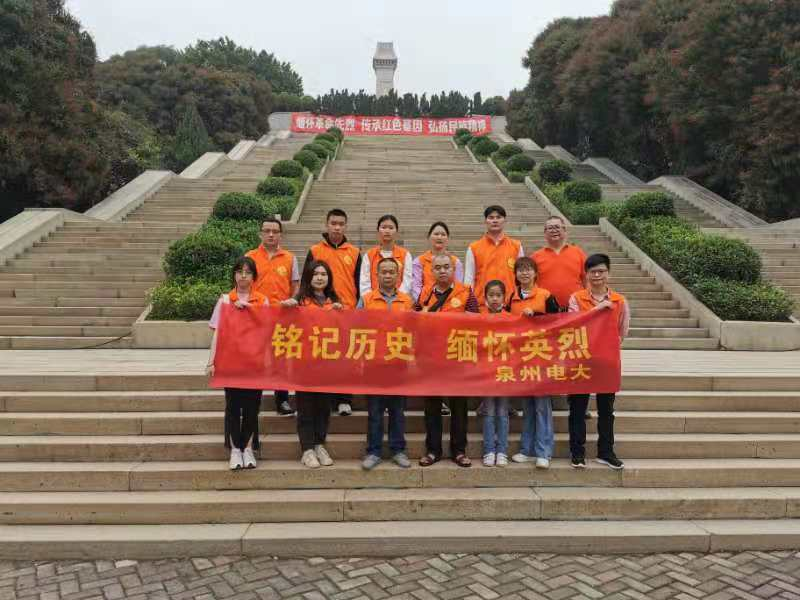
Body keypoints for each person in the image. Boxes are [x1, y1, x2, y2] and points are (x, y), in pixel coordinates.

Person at [566, 253, 629, 470]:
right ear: (586, 275)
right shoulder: (576, 298)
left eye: (601, 271)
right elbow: (572, 325)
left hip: (606, 362)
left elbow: (622, 331)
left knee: (606, 409)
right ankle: (577, 453)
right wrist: (596, 310)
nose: (597, 276)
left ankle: (606, 452)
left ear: (608, 273)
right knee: (577, 408)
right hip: (581, 361)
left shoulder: (620, 301)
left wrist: (606, 348)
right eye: (593, 272)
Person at [416, 253, 479, 468]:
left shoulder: (466, 292)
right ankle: (433, 450)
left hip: (457, 356)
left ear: (453, 270)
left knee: (459, 407)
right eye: (438, 267)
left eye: (446, 267)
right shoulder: (425, 293)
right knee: (432, 406)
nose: (442, 271)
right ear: (431, 271)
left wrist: (446, 320)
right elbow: (414, 320)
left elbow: (476, 320)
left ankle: (459, 451)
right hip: (431, 358)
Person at [206, 256, 268, 471]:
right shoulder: (225, 300)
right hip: (230, 363)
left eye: (248, 272)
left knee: (252, 407)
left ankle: (248, 448)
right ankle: (234, 450)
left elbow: (267, 331)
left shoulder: (262, 300)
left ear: (254, 277)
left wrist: (251, 310)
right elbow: (217, 333)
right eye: (240, 271)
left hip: (254, 363)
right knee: (233, 406)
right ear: (234, 275)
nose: (243, 276)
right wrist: (211, 361)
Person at [281, 260, 344, 468]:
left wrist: (341, 313)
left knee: (323, 407)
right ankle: (307, 449)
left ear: (329, 278)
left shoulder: (334, 301)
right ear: (309, 277)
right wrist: (286, 308)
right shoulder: (299, 301)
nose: (319, 277)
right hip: (304, 364)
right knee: (306, 407)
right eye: (316, 274)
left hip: (327, 364)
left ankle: (319, 444)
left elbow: (344, 330)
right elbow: (284, 325)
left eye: (324, 274)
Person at [357, 258, 414, 470]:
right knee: (375, 411)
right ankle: (374, 451)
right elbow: (355, 328)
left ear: (398, 276)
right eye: (384, 272)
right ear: (377, 275)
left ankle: (398, 450)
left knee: (398, 411)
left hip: (399, 363)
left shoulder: (407, 301)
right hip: (374, 363)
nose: (388, 275)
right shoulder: (366, 300)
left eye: (392, 272)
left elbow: (414, 330)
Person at [531, 216, 590, 419]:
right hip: (547, 315)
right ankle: (546, 394)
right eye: (550, 228)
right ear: (544, 233)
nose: (554, 230)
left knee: (574, 356)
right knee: (548, 355)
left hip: (574, 314)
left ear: (565, 230)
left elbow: (586, 281)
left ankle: (577, 400)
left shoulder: (578, 253)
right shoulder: (536, 256)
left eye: (558, 227)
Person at [307, 208, 361, 416]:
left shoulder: (354, 252)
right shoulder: (315, 250)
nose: (337, 227)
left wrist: (358, 309)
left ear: (346, 226)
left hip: (346, 311)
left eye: (341, 224)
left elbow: (360, 283)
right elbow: (307, 280)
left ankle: (344, 399)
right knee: (322, 355)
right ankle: (324, 397)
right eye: (333, 223)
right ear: (326, 224)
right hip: (320, 312)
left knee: (345, 357)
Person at [508, 257, 559, 469]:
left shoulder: (546, 295)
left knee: (541, 407)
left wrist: (536, 315)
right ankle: (527, 450)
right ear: (515, 274)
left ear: (536, 273)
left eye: (528, 269)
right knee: (528, 406)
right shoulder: (511, 298)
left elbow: (559, 323)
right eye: (520, 270)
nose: (524, 273)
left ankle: (543, 451)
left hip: (542, 358)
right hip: (520, 359)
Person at [246, 218, 300, 416]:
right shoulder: (250, 257)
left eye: (275, 231)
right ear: (260, 233)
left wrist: (293, 300)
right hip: (256, 316)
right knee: (255, 358)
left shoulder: (290, 258)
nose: (271, 235)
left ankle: (282, 399)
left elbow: (296, 286)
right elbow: (242, 284)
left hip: (281, 316)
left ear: (280, 234)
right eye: (267, 231)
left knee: (280, 359)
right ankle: (253, 398)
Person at [412, 221, 462, 417]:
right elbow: (416, 288)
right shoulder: (419, 261)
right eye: (436, 233)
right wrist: (427, 303)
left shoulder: (456, 262)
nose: (439, 237)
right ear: (429, 237)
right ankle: (436, 401)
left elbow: (459, 287)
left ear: (448, 238)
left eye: (443, 234)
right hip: (429, 314)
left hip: (452, 320)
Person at [479, 280, 512, 467]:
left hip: (505, 372)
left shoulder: (511, 318)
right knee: (489, 412)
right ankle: (489, 450)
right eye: (491, 295)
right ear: (485, 298)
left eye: (498, 295)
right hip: (487, 373)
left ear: (504, 298)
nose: (494, 299)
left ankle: (502, 451)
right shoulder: (479, 318)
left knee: (502, 413)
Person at [464, 205, 524, 308]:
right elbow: (469, 278)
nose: (495, 221)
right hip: (482, 304)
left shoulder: (516, 246)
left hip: (510, 303)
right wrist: (469, 303)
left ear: (505, 220)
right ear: (485, 221)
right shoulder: (474, 247)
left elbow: (522, 276)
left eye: (498, 217)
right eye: (491, 218)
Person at [359, 214, 413, 297]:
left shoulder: (405, 255)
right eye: (383, 227)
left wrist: (395, 299)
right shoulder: (369, 255)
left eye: (391, 228)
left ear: (396, 232)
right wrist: (371, 299)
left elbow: (407, 282)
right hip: (373, 301)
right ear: (378, 231)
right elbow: (364, 283)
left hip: (398, 300)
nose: (387, 231)